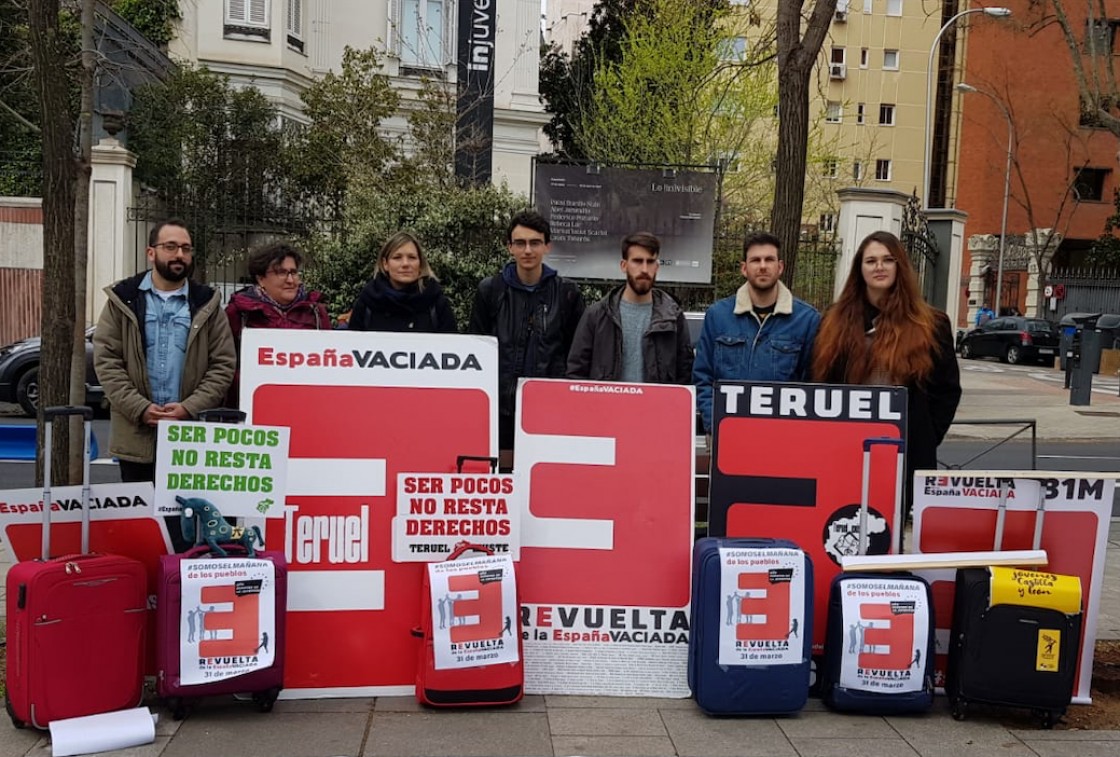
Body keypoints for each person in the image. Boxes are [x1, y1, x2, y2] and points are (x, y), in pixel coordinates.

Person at [810, 230, 962, 518]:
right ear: (860, 269)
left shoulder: (932, 324)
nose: (879, 267)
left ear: (900, 266)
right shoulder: (833, 321)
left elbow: (947, 391)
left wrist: (926, 436)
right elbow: (819, 384)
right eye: (871, 261)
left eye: (888, 259)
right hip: (845, 451)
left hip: (904, 453)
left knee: (892, 532)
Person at [94, 219, 235, 484]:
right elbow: (107, 361)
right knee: (143, 522)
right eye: (170, 246)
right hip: (136, 435)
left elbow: (222, 364)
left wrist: (189, 408)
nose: (179, 254)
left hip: (190, 437)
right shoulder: (122, 299)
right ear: (151, 253)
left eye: (186, 248)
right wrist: (140, 408)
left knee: (185, 521)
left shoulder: (208, 303)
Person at [468, 210, 585, 449]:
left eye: (535, 243)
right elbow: (476, 350)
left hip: (550, 410)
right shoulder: (491, 290)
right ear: (509, 247)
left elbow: (577, 355)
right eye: (520, 243)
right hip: (500, 409)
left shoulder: (567, 293)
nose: (528, 250)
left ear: (547, 247)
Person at [693, 231, 821, 434]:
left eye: (769, 259)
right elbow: (703, 378)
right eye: (755, 260)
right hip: (728, 434)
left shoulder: (807, 320)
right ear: (744, 268)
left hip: (782, 438)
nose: (762, 266)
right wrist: (715, 424)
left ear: (780, 267)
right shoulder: (718, 316)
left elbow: (812, 385)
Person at [566, 231, 692, 384]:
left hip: (655, 407)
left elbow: (685, 375)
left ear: (657, 267)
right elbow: (576, 373)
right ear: (624, 265)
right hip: (606, 406)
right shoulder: (596, 315)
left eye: (650, 261)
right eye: (637, 261)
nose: (644, 269)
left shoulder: (673, 317)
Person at [224, 242, 329, 406]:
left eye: (293, 272)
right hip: (253, 405)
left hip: (305, 404)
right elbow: (224, 362)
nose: (290, 280)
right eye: (281, 273)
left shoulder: (315, 312)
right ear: (261, 279)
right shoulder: (239, 313)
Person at [347, 232, 457, 333]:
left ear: (420, 264)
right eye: (397, 258)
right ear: (385, 264)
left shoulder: (437, 303)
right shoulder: (367, 302)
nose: (405, 264)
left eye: (412, 257)